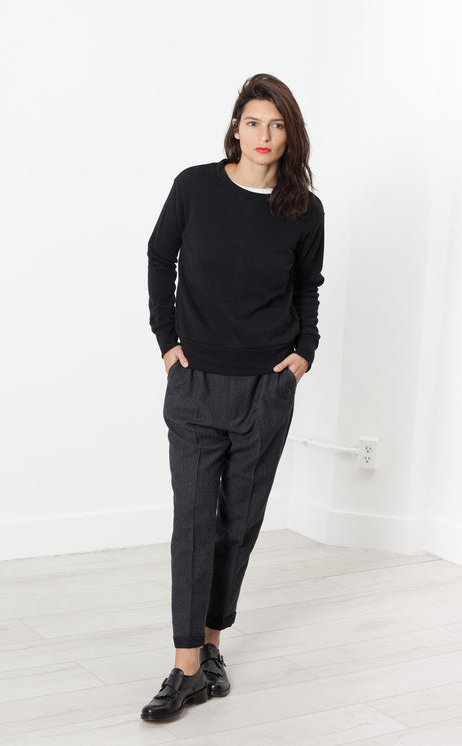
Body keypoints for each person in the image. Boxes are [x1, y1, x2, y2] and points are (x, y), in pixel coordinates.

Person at [141, 73, 325, 721]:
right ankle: (185, 665)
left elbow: (307, 287)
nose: (263, 136)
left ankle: (212, 645)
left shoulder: (303, 209)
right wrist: (167, 341)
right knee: (192, 524)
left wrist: (304, 353)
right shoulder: (194, 187)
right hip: (195, 385)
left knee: (238, 525)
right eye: (253, 122)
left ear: (290, 134)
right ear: (235, 128)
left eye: (276, 124)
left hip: (266, 390)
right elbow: (159, 256)